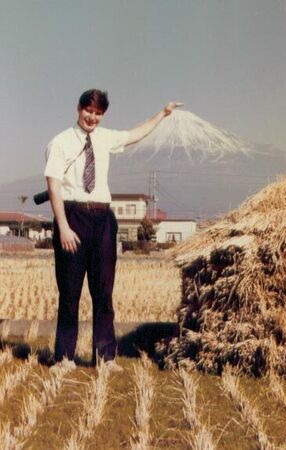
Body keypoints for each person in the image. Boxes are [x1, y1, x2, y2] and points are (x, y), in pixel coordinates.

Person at [45, 89, 183, 370]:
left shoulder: (106, 138)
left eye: (98, 113)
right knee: (70, 292)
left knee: (104, 292)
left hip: (103, 219)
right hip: (72, 217)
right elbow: (53, 185)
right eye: (88, 111)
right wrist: (63, 226)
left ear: (103, 115)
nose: (92, 117)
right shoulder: (59, 142)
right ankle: (64, 357)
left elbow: (135, 134)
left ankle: (106, 357)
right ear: (78, 108)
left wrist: (163, 114)